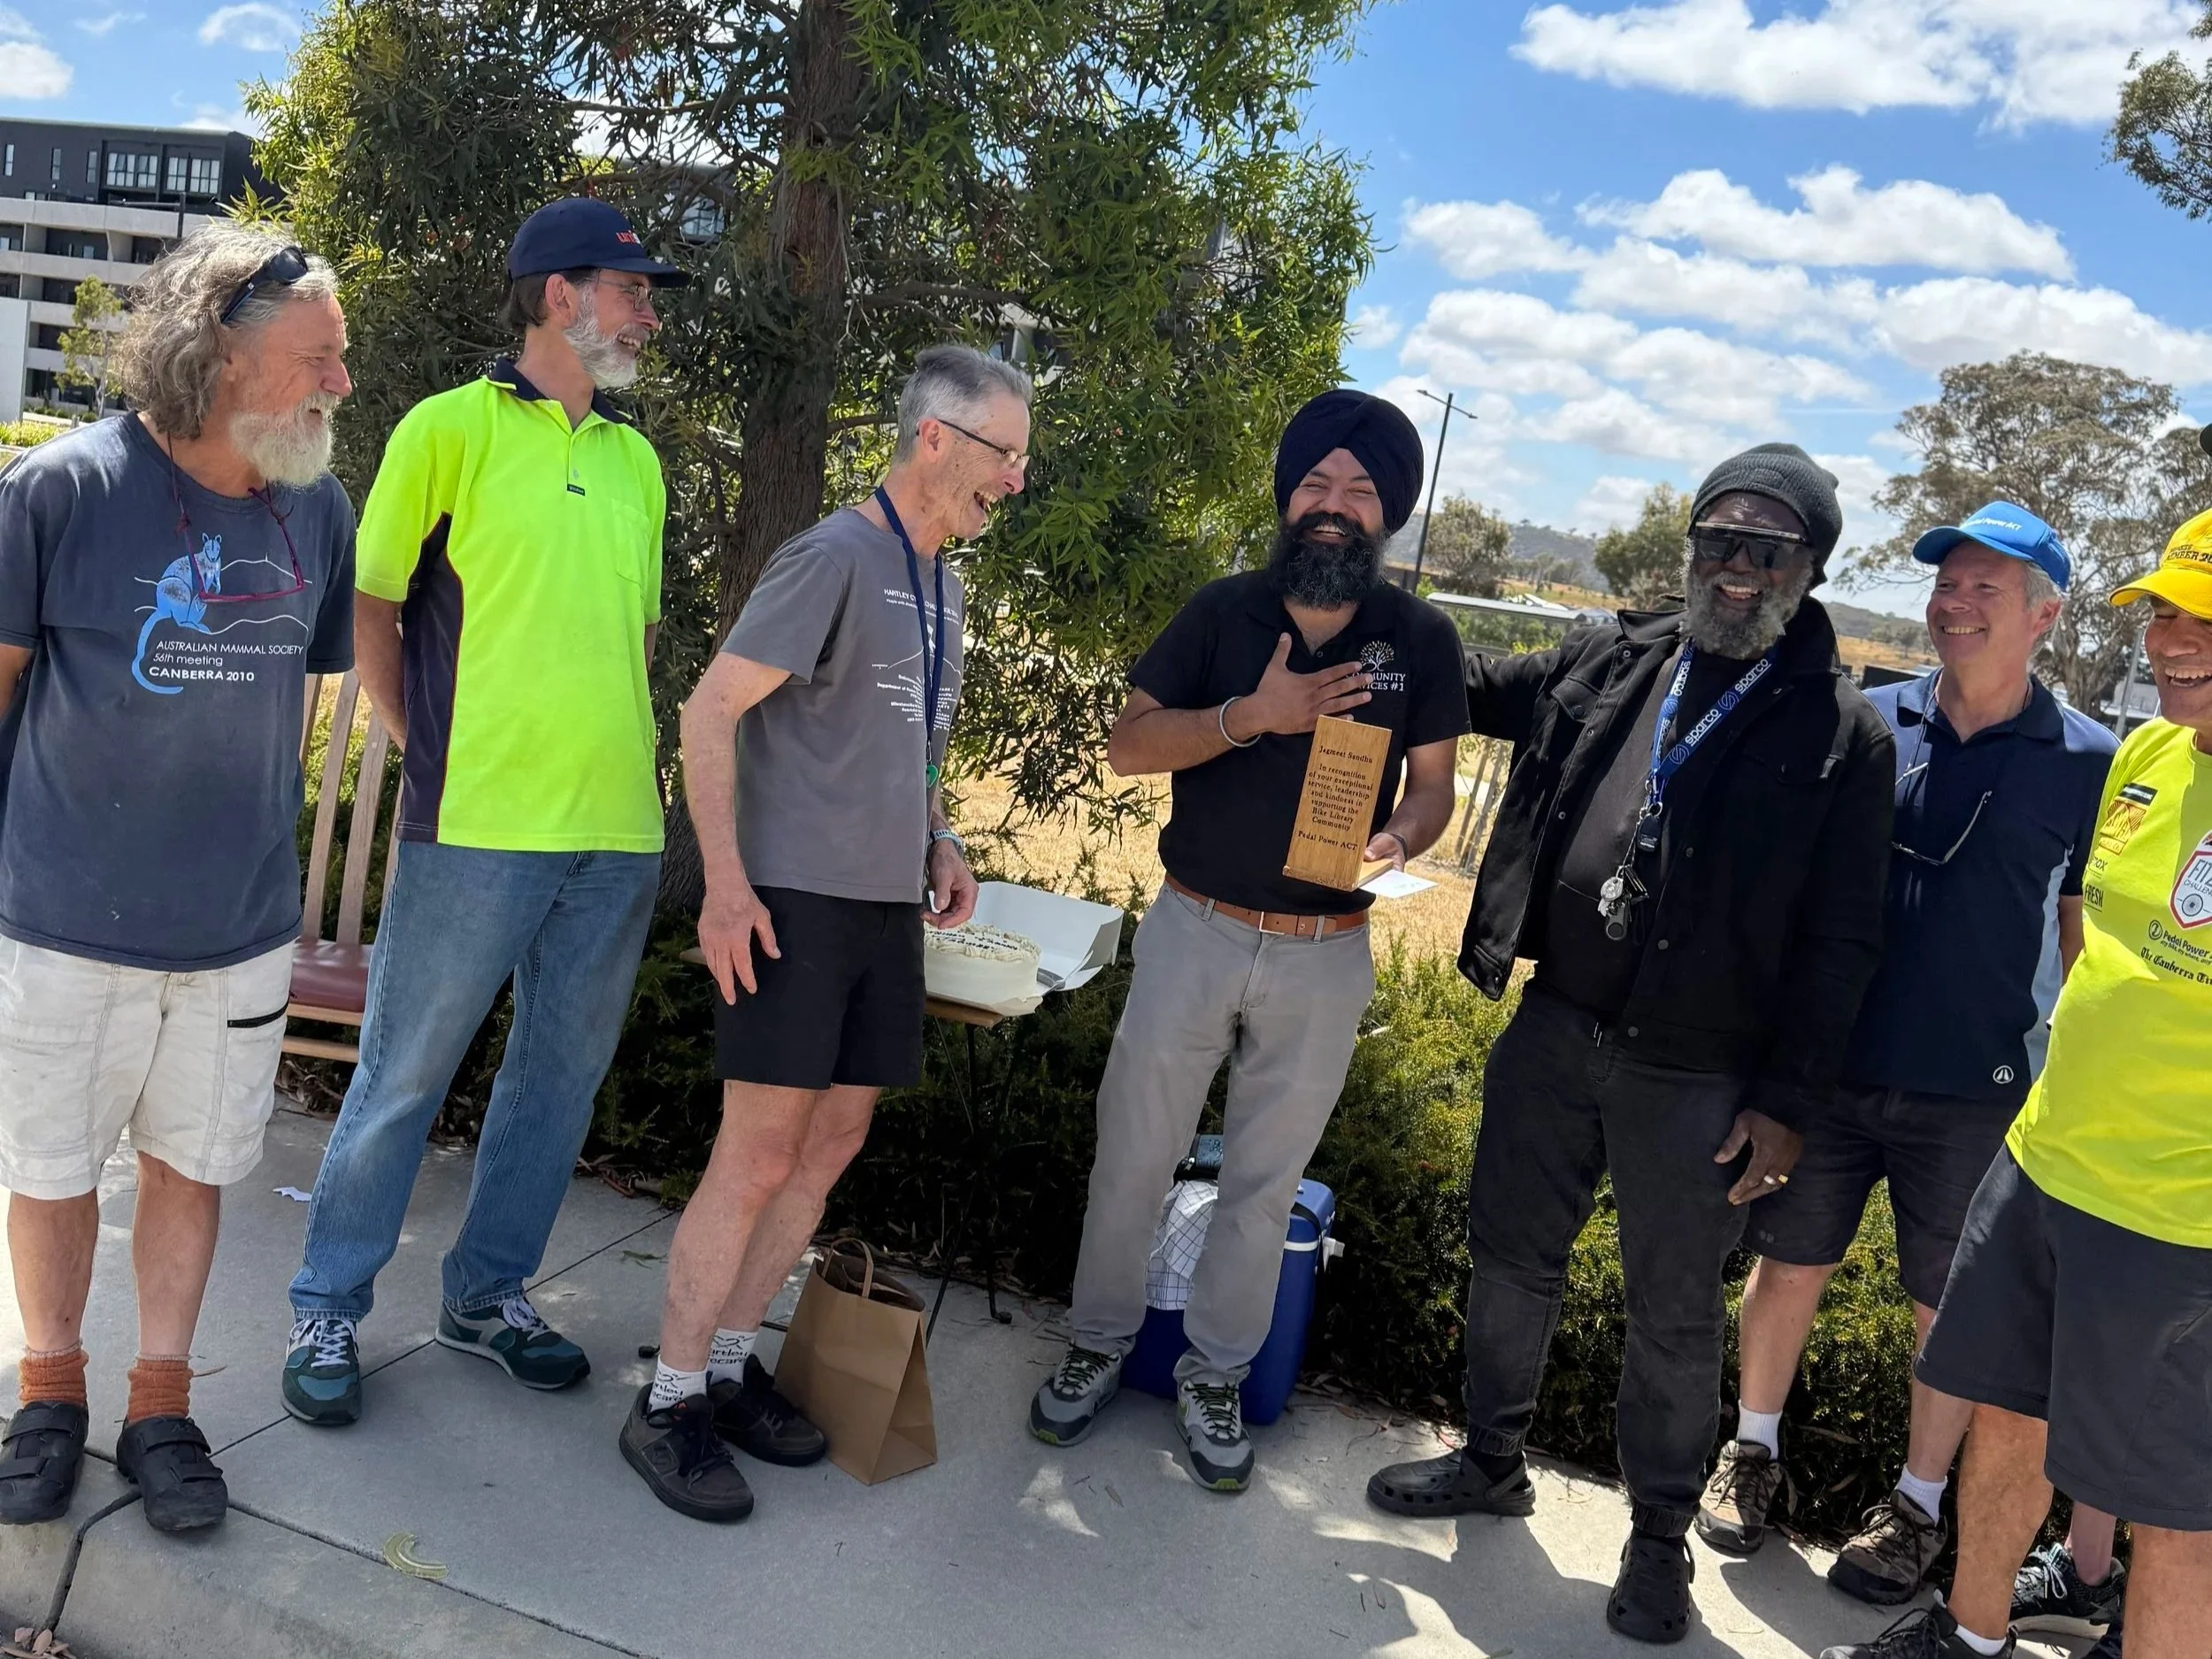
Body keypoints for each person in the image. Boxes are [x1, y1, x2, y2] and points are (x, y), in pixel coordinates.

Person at [1367, 444, 1896, 1646]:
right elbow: (1481, 686)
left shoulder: (1842, 733)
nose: (1740, 567)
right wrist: (1373, 612)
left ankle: (1659, 1541)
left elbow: (1842, 944)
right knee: (1508, 1254)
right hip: (1558, 1025)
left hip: (1702, 1075)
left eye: (1770, 549)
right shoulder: (1616, 654)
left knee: (1671, 1314)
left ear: (1809, 569)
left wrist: (1787, 1103)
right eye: (1721, 540)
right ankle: (1491, 1457)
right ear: (1692, 548)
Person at [282, 199, 685, 1425]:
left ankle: (486, 1295)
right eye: (630, 288)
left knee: (558, 1079)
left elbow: (644, 636)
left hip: (617, 830)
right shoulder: (443, 430)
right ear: (558, 295)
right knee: (405, 1073)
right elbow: (373, 603)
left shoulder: (638, 458)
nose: (648, 310)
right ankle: (327, 1308)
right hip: (476, 822)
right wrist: (417, 745)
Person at [1028, 389, 1469, 1494]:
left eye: (1359, 492)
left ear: (1388, 517)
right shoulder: (1222, 613)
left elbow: (1433, 793)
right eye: (1316, 484)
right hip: (1196, 928)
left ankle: (1217, 1374)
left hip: (1324, 952)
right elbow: (1130, 746)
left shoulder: (1420, 639)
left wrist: (1396, 836)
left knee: (1263, 1185)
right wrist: (1250, 717)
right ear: (1286, 497)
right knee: (1131, 1150)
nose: (1333, 506)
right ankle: (1095, 1343)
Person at [620, 344, 1016, 1523]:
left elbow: (904, 748)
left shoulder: (940, 582)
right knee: (754, 1156)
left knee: (829, 1145)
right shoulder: (835, 555)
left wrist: (938, 836)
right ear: (935, 437)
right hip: (793, 903)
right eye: (1007, 453)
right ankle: (670, 1398)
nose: (1016, 478)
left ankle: (732, 1367)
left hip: (887, 907)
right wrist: (727, 886)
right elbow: (706, 711)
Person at [0, 224, 355, 1532]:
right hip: (64, 916)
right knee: (47, 1167)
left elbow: (295, 684)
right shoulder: (62, 492)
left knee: (192, 1166)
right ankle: (48, 1393)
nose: (341, 382)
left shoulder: (314, 501)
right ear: (220, 355)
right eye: (317, 357)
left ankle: (160, 1402)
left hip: (240, 927)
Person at [1701, 503, 2117, 1606]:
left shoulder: (2090, 763)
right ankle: (1749, 1453)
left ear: (2044, 617)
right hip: (1829, 1075)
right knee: (1786, 1267)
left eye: (1987, 589)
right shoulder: (1866, 720)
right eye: (1947, 584)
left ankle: (1918, 1507)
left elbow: (2078, 932)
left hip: (1979, 1096)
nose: (1955, 603)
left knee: (1949, 1318)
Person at [1821, 522, 2212, 1659]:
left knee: (2175, 1512)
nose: (2174, 641)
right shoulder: (2144, 759)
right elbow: (2089, 924)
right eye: (2163, 613)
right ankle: (1970, 1633)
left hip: (2178, 1216)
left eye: (2205, 619)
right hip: (2042, 1161)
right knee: (2002, 1417)